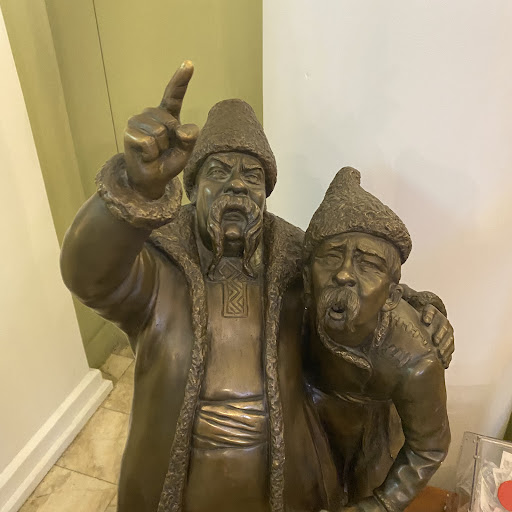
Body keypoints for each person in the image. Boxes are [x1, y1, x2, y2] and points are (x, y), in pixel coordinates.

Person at [61, 62, 452, 512]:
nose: (237, 186)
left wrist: (422, 308)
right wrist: (135, 188)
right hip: (174, 475)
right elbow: (88, 276)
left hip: (284, 476)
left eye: (252, 176)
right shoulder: (157, 263)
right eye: (219, 171)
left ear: (266, 193)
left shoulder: (295, 259)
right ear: (193, 187)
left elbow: (354, 281)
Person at [303, 167, 451, 512]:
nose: (343, 274)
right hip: (307, 419)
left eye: (368, 264)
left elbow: (428, 447)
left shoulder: (416, 359)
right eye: (331, 256)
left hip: (375, 433)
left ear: (391, 295)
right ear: (307, 276)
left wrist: (381, 505)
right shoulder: (297, 300)